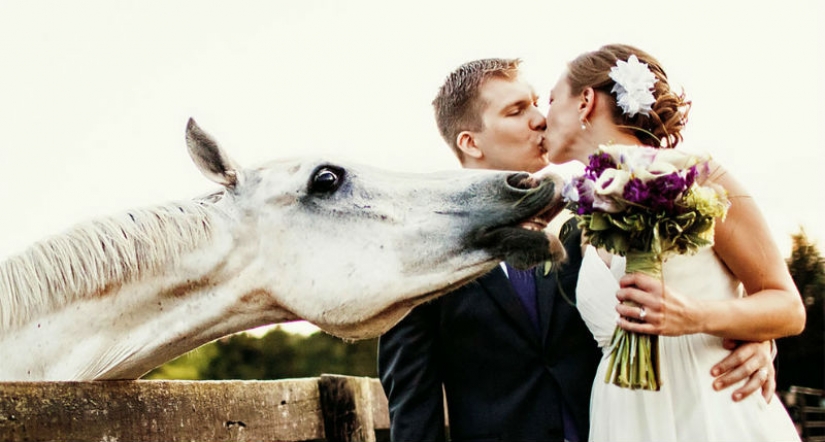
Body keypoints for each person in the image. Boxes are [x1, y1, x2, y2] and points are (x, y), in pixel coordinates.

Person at [378, 57, 780, 442]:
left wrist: (755, 336)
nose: (539, 118)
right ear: (471, 142)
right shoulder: (420, 255)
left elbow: (692, 287)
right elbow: (413, 402)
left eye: (537, 103)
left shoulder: (592, 217)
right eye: (517, 110)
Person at [541, 43, 806, 441]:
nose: (542, 119)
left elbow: (788, 306)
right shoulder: (582, 222)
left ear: (585, 101)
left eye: (551, 100)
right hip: (623, 418)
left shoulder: (699, 176)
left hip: (709, 406)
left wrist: (698, 317)